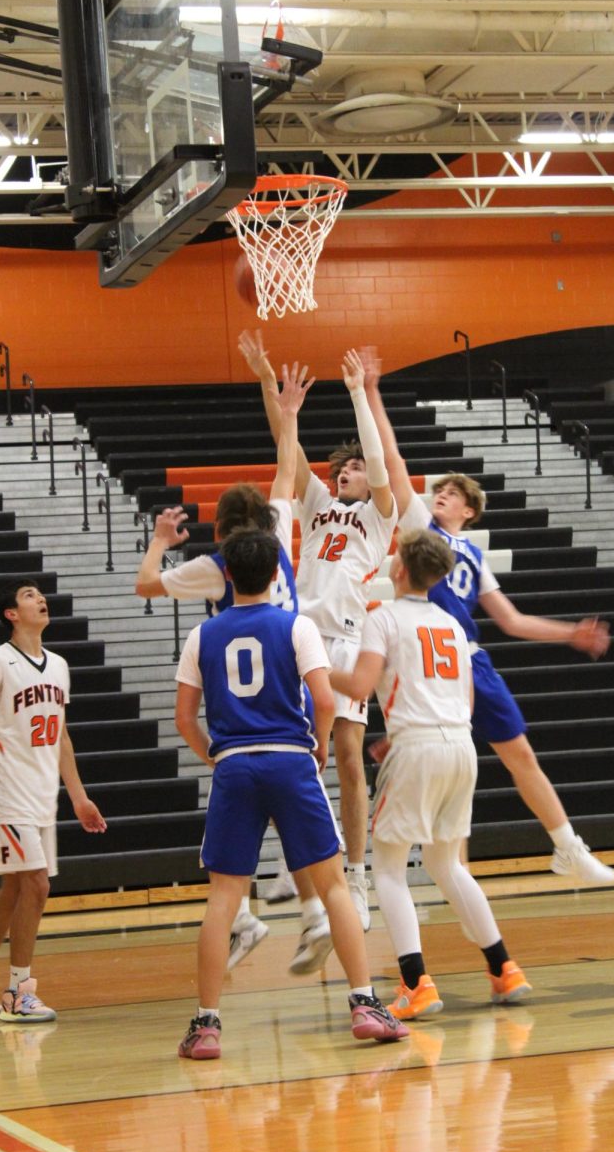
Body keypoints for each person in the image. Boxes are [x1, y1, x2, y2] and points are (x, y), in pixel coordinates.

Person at [361, 355, 614, 886]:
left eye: (450, 494)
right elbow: (392, 456)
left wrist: (572, 633)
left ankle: (567, 847)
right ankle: (432, 877)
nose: (439, 496)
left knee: (517, 753)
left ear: (470, 511)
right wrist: (371, 392)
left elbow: (513, 621)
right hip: (428, 657)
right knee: (449, 774)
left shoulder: (471, 557)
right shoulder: (419, 530)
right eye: (438, 491)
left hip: (468, 660)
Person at [173, 528, 409, 1059]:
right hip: (290, 760)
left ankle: (206, 1025)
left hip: (235, 767)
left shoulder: (202, 635)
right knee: (333, 888)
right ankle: (365, 1004)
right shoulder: (296, 625)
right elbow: (325, 700)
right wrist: (319, 746)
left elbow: (184, 718)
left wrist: (216, 753)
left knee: (224, 898)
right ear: (278, 574)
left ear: (226, 576)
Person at [135, 363, 334, 975]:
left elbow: (144, 585)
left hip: (242, 699)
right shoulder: (281, 530)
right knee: (288, 810)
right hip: (293, 679)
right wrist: (289, 407)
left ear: (219, 527)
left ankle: (251, 918)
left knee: (237, 819)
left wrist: (161, 538)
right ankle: (310, 912)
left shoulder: (217, 565)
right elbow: (284, 467)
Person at [330, 529, 532, 1014]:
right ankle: (504, 968)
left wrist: (312, 667)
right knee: (446, 864)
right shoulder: (452, 623)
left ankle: (416, 981)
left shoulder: (385, 620)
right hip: (459, 745)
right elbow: (461, 700)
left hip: (418, 748)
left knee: (390, 869)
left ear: (398, 568)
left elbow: (358, 684)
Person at [240, 331, 398, 930]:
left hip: (350, 638)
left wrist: (358, 393)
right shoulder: (317, 503)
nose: (355, 470)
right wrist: (268, 384)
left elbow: (382, 462)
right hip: (300, 635)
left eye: (360, 466)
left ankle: (355, 878)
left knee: (350, 757)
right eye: (347, 466)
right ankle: (300, 863)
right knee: (300, 754)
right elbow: (287, 445)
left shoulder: (377, 519)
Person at [0, 579, 107, 1024]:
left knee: (15, 889)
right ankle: (19, 991)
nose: (40, 599)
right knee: (36, 885)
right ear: (11, 614)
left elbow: (62, 736)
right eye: (29, 595)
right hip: (7, 794)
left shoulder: (58, 665)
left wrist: (79, 796)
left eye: (40, 594)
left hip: (41, 799)